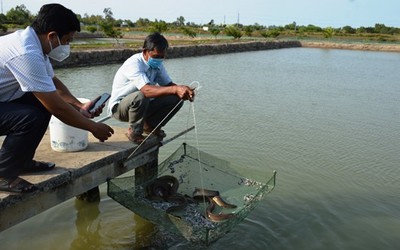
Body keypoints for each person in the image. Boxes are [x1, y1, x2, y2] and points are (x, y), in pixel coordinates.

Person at [0, 4, 114, 194]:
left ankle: (22, 161)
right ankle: (3, 174)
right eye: (67, 40)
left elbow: (52, 84)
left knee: (40, 104)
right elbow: (57, 108)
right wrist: (93, 128)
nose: (67, 46)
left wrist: (80, 107)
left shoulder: (34, 44)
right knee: (31, 116)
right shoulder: (25, 53)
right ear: (52, 36)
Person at [108, 32, 195, 144]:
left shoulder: (157, 65)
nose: (159, 59)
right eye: (155, 56)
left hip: (143, 105)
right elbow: (146, 90)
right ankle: (134, 131)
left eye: (161, 57)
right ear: (145, 52)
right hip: (120, 108)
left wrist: (183, 89)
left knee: (176, 98)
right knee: (141, 95)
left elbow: (169, 85)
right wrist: (175, 89)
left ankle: (150, 126)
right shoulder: (134, 63)